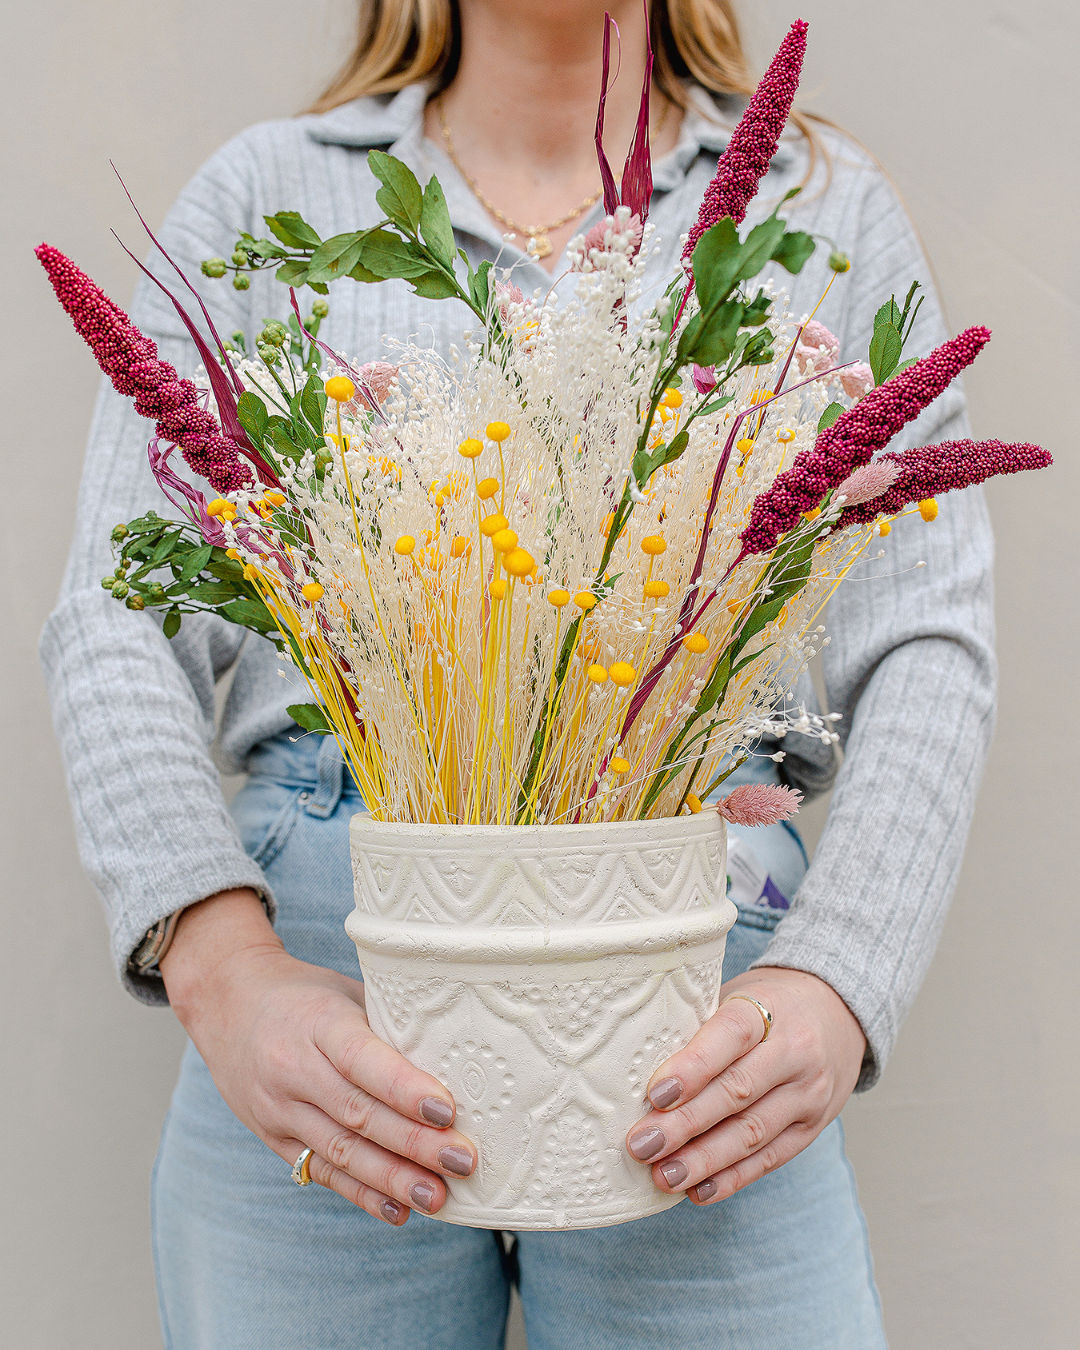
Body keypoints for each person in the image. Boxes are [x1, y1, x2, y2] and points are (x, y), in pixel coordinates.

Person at [40, 2, 995, 1347]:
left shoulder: (818, 210)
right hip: (327, 977)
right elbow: (113, 611)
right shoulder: (270, 196)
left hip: (697, 989)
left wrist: (841, 979)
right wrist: (223, 965)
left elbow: (930, 634)